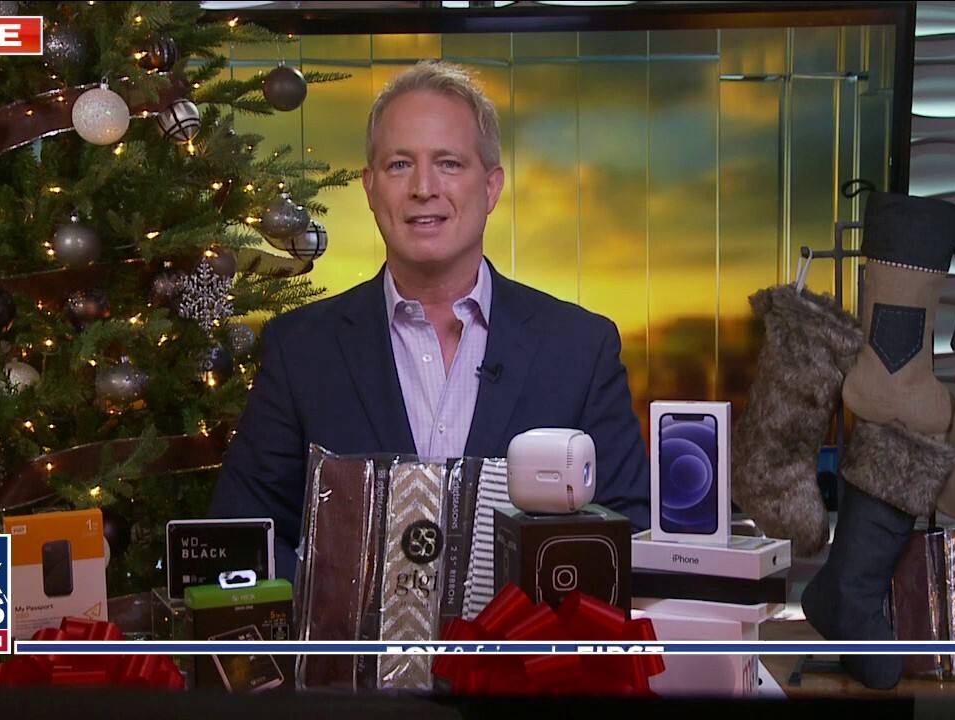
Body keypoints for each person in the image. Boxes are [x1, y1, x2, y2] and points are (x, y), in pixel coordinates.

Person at [210, 60, 649, 580]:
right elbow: (243, 534)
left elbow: (630, 536)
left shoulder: (579, 348)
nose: (423, 187)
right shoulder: (302, 349)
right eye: (399, 164)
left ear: (491, 187)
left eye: (449, 163)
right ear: (370, 188)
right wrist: (329, 608)